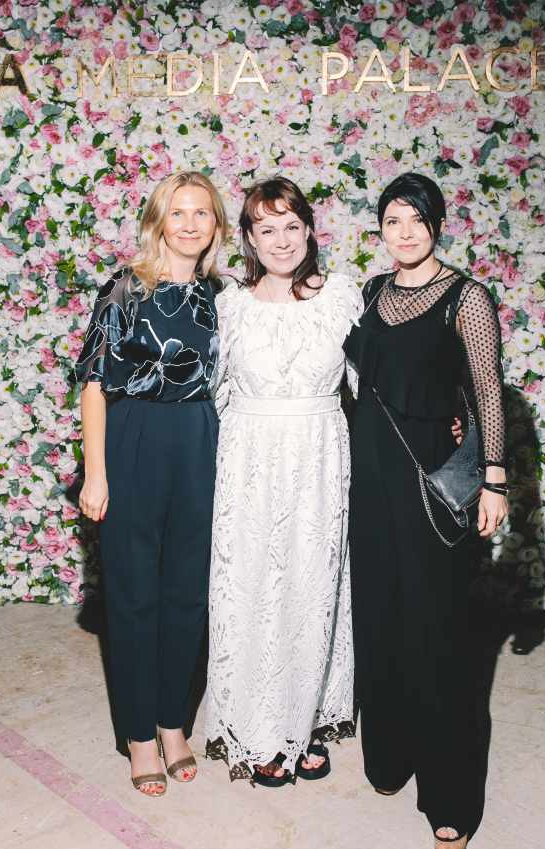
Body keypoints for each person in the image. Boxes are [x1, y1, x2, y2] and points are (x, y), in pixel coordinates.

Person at [343, 172, 508, 849]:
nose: (404, 233)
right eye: (393, 221)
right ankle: (389, 757)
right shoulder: (371, 292)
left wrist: (494, 480)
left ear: (437, 225)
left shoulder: (466, 297)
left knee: (436, 634)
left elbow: (488, 389)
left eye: (416, 220)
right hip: (369, 483)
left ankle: (450, 799)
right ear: (381, 230)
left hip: (429, 487)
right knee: (378, 618)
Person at [72, 171, 228, 796]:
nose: (190, 224)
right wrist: (96, 474)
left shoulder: (222, 295)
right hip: (133, 436)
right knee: (134, 595)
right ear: (159, 220)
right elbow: (93, 384)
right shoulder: (125, 288)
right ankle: (139, 735)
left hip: (200, 439)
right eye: (178, 212)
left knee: (188, 593)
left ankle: (172, 723)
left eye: (202, 213)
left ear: (216, 225)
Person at [205, 177, 362, 785]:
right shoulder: (230, 305)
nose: (280, 240)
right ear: (248, 238)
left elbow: (373, 385)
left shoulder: (342, 297)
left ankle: (307, 716)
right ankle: (259, 726)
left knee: (312, 587)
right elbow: (211, 392)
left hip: (319, 460)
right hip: (248, 464)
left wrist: (447, 419)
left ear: (309, 231)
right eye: (265, 229)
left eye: (291, 226)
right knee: (252, 587)